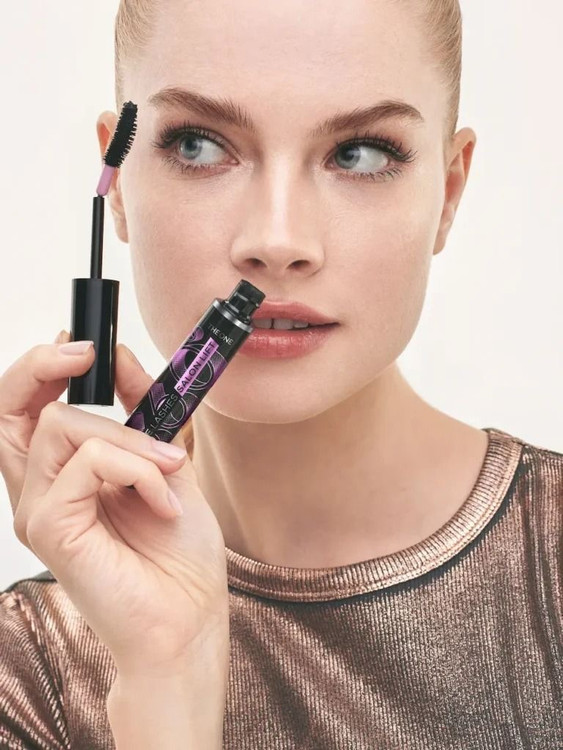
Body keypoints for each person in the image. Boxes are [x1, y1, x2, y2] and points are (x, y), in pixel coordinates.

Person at [0, 0, 561, 748]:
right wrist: (167, 676)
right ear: (120, 182)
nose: (277, 240)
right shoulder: (32, 669)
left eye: (358, 154)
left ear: (448, 193)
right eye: (199, 145)